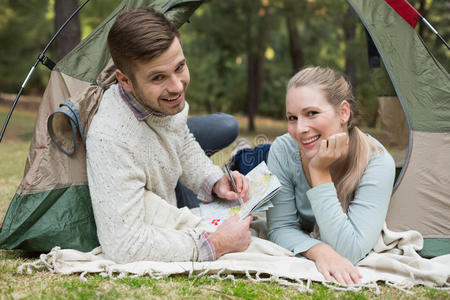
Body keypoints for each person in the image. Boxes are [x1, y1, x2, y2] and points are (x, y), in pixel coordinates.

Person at [86, 8, 253, 264]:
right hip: (155, 201)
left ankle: (231, 169)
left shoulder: (165, 100)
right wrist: (216, 244)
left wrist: (215, 181)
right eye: (158, 77)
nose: (176, 87)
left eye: (180, 67)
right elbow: (123, 246)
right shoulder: (110, 139)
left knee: (226, 126)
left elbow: (181, 141)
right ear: (125, 81)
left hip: (166, 179)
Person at [231, 66, 396, 285]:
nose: (300, 128)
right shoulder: (284, 148)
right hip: (272, 157)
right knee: (247, 164)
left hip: (284, 156)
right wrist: (319, 251)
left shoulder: (378, 162)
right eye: (292, 117)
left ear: (343, 113)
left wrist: (319, 172)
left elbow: (350, 250)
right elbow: (280, 228)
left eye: (312, 113)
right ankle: (241, 152)